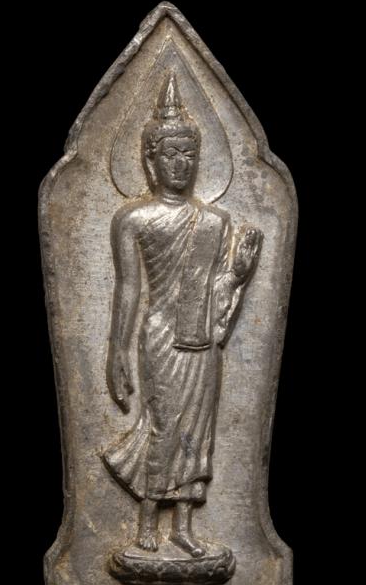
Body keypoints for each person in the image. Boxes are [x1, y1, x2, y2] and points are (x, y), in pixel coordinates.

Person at [103, 75, 261, 558]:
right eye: (170, 154)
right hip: (160, 336)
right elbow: (129, 288)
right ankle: (147, 521)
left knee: (198, 429)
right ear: (150, 161)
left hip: (201, 340)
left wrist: (237, 274)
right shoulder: (133, 219)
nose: (180, 164)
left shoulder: (215, 221)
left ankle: (184, 527)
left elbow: (217, 291)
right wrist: (116, 350)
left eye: (188, 154)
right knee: (165, 424)